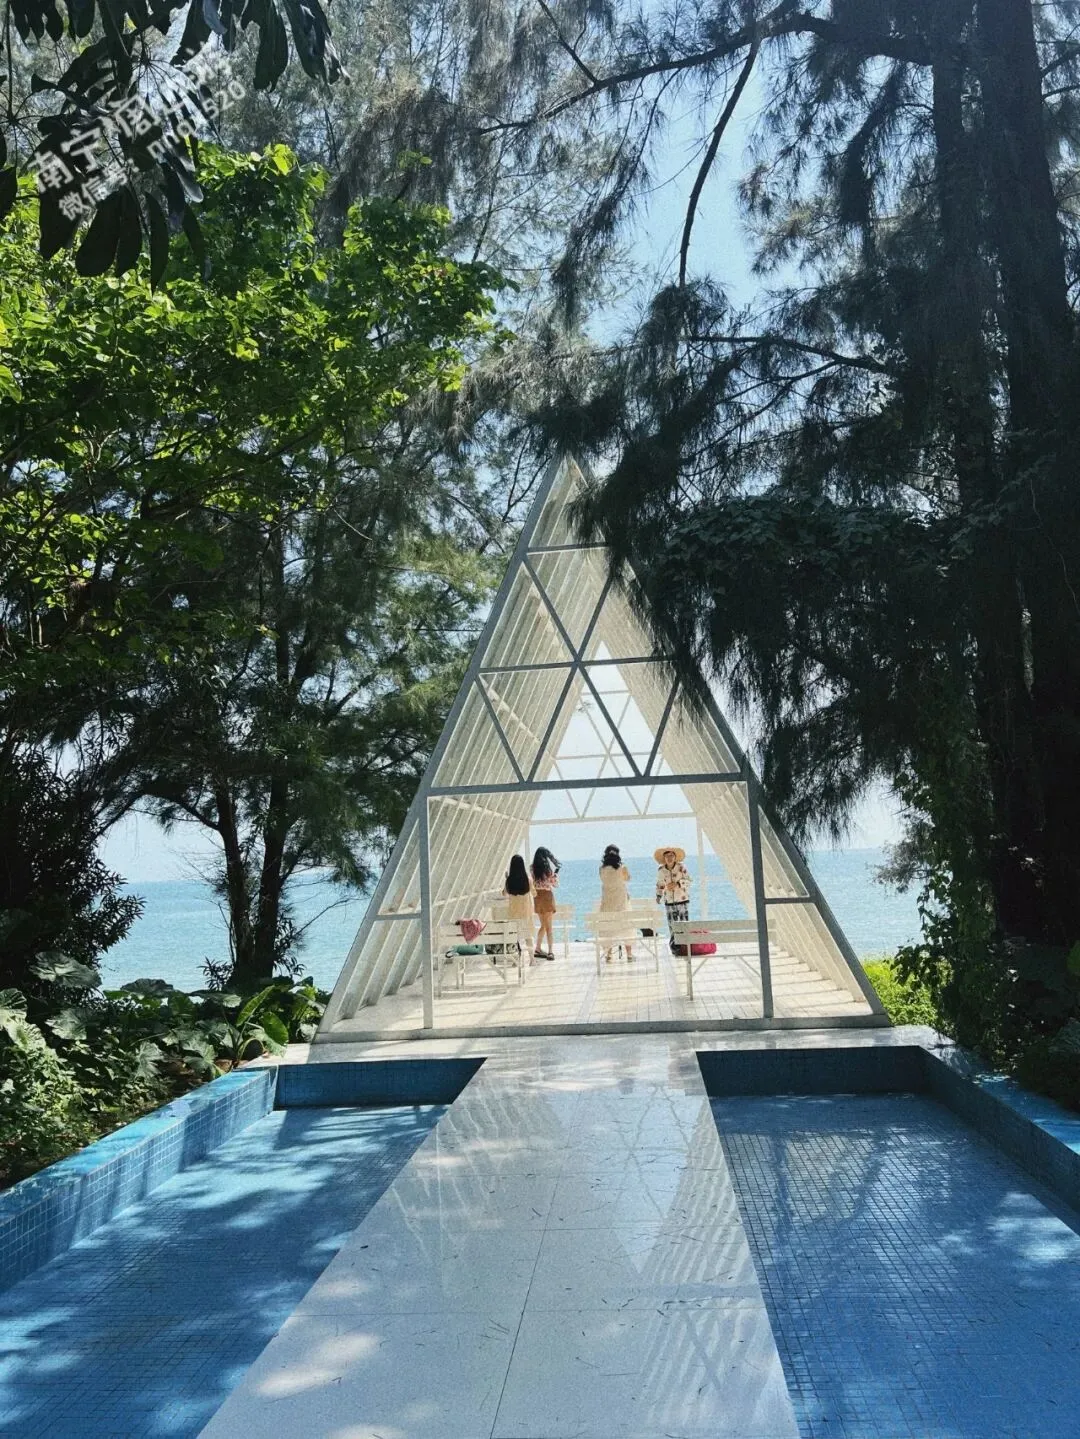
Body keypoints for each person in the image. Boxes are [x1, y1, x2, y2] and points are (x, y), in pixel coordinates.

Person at [598, 843, 633, 962]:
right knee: (627, 927)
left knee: (608, 929)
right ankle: (629, 954)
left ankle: (608, 954)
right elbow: (628, 878)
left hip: (607, 904)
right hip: (621, 903)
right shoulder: (622, 868)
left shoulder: (601, 869)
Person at [655, 845, 692, 943]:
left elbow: (689, 881)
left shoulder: (681, 867)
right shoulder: (661, 870)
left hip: (682, 900)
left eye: (672, 855)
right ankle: (675, 947)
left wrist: (677, 884)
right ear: (664, 858)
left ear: (675, 857)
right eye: (667, 856)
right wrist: (658, 896)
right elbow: (660, 884)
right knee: (672, 926)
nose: (669, 858)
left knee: (684, 925)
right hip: (669, 902)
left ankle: (686, 946)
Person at [503, 853, 535, 962]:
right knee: (528, 936)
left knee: (515, 937)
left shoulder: (509, 880)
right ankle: (532, 959)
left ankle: (516, 961)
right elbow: (534, 893)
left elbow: (504, 893)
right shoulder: (528, 880)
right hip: (526, 913)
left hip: (513, 914)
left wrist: (506, 879)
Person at [531, 846, 560, 961]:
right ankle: (550, 951)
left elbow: (533, 882)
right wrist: (555, 876)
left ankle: (537, 948)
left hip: (537, 897)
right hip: (547, 897)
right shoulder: (547, 870)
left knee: (543, 925)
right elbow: (555, 884)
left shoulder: (532, 868)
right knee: (549, 927)